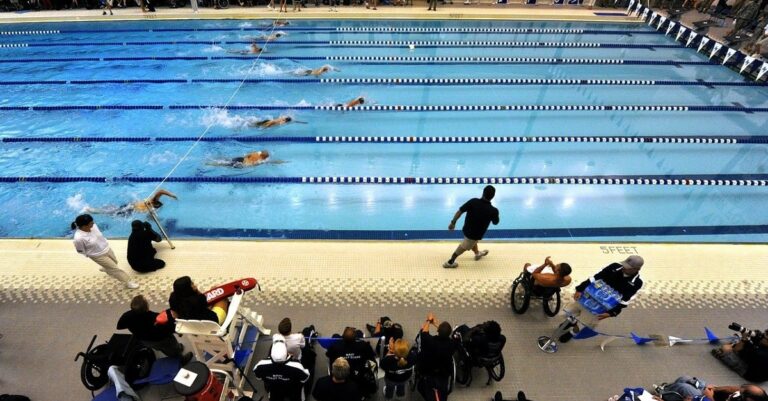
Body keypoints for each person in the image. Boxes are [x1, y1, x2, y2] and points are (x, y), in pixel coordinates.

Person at [557, 255, 644, 343]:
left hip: (598, 309)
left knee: (583, 323)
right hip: (586, 298)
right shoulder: (614, 266)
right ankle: (572, 322)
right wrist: (580, 289)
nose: (624, 268)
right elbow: (595, 277)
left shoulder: (637, 283)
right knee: (566, 313)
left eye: (627, 267)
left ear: (636, 269)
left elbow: (625, 300)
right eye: (624, 265)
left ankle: (571, 333)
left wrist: (611, 313)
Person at [116, 295, 193, 364]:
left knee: (161, 348)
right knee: (172, 348)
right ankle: (181, 360)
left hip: (145, 340)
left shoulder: (126, 316)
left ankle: (174, 350)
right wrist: (178, 332)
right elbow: (169, 327)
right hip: (162, 339)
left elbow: (119, 326)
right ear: (146, 307)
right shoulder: (155, 317)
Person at [71, 214, 139, 290]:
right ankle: (128, 282)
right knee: (115, 268)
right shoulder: (79, 238)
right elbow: (80, 250)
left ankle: (106, 268)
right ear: (84, 226)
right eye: (91, 223)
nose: (93, 224)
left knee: (115, 262)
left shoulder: (94, 226)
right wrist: (90, 255)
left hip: (107, 248)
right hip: (97, 255)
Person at [443, 185, 500, 269]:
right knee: (463, 247)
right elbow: (495, 222)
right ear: (493, 197)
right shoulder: (493, 210)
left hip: (466, 229)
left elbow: (460, 211)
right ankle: (450, 262)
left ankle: (477, 253)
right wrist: (496, 215)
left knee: (473, 241)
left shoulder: (473, 201)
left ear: (483, 193)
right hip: (475, 235)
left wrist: (453, 223)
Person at [253, 335, 310, 401]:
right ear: (286, 351)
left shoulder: (261, 364)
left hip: (273, 387)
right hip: (291, 387)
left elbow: (259, 377)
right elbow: (305, 378)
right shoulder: (297, 366)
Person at [325, 327, 377, 395]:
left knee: (335, 335)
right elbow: (372, 356)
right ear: (355, 338)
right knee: (359, 332)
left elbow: (328, 354)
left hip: (340, 375)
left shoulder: (335, 345)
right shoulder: (363, 345)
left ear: (342, 336)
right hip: (360, 376)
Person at [417, 312, 455, 401]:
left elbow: (424, 332)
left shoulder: (430, 341)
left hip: (428, 369)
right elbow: (446, 335)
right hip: (444, 371)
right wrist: (435, 324)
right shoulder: (452, 344)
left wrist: (429, 320)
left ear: (438, 331)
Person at [85, 189, 178, 217]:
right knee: (111, 212)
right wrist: (171, 195)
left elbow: (160, 192)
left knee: (114, 209)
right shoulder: (151, 204)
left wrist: (171, 195)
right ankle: (92, 211)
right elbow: (160, 191)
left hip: (130, 206)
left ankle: (95, 209)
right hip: (130, 209)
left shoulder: (150, 205)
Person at [206, 150, 285, 168]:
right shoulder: (261, 160)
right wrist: (281, 162)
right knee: (224, 164)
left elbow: (246, 155)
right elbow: (271, 162)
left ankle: (214, 158)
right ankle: (210, 164)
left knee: (227, 160)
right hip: (242, 164)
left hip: (240, 158)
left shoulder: (256, 153)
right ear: (264, 157)